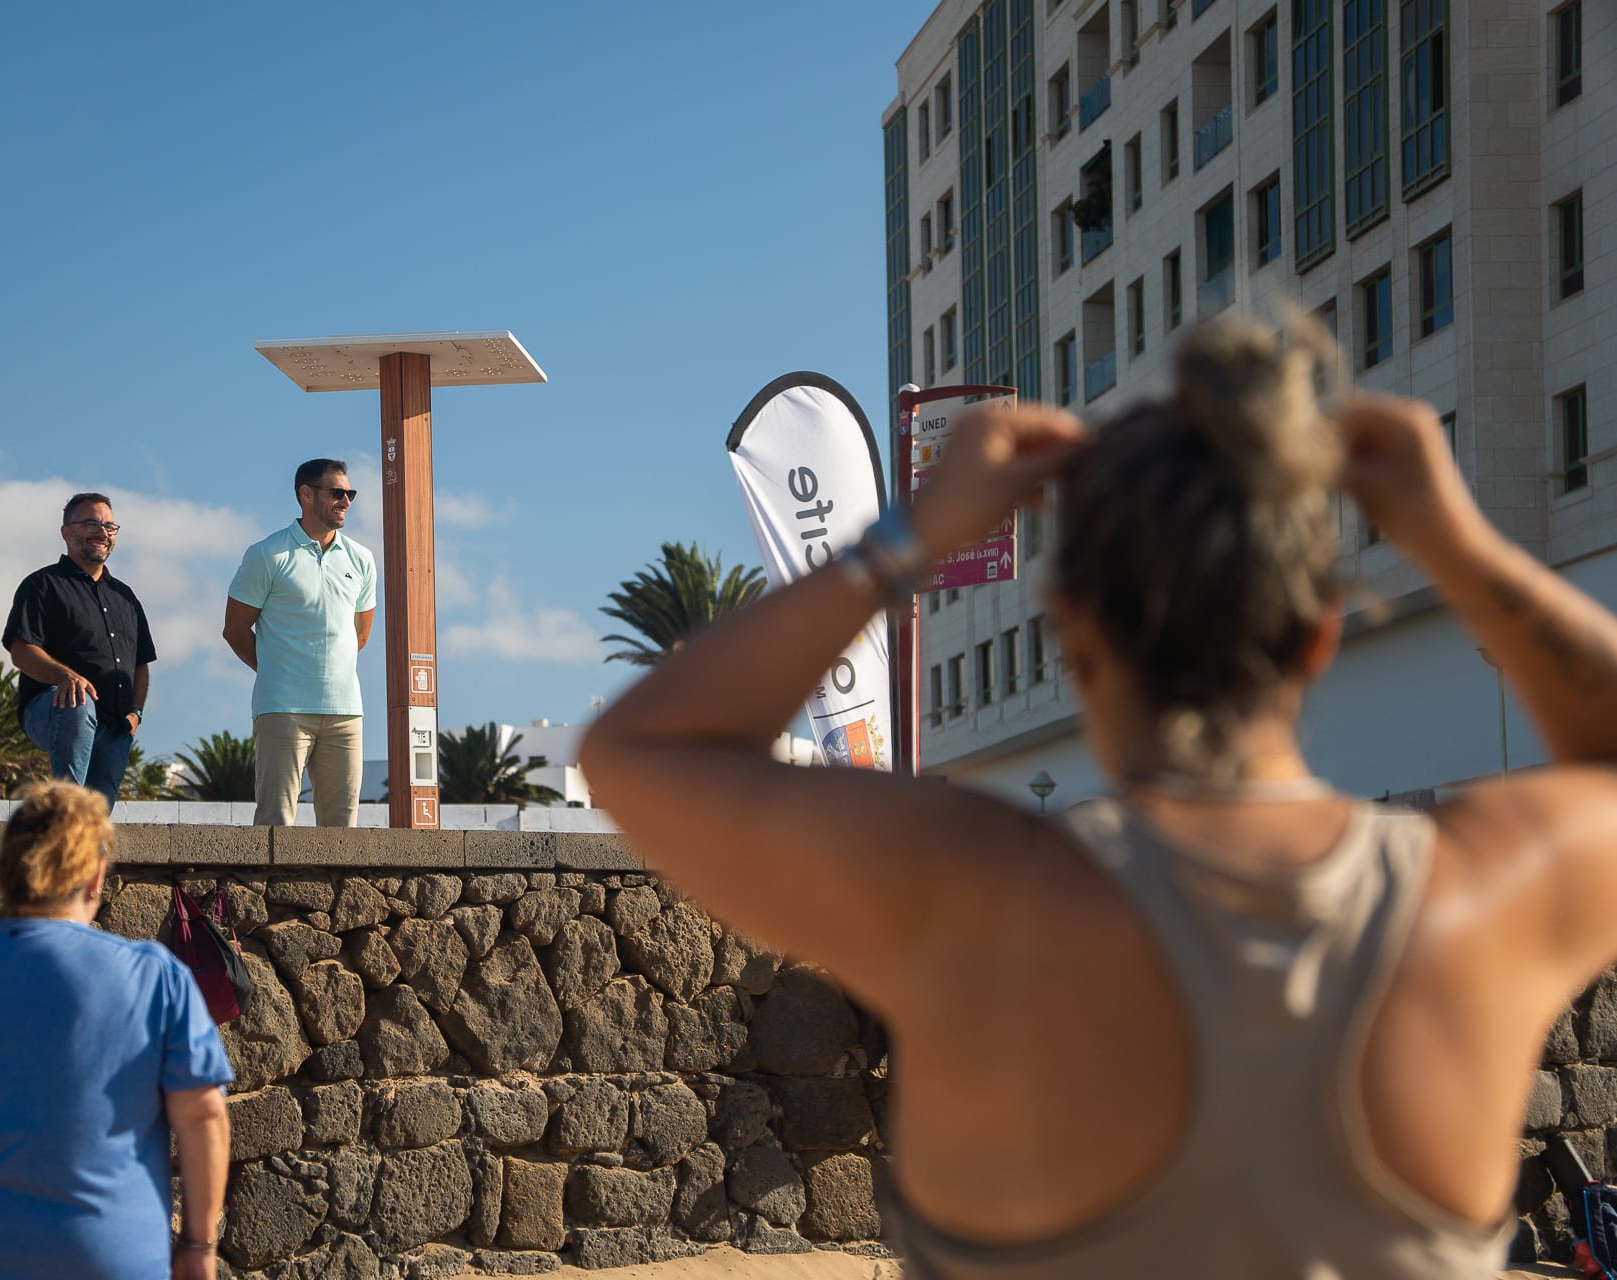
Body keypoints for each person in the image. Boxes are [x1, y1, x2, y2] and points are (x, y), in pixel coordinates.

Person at [581, 315, 1617, 1278]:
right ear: (1320, 634)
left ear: (1073, 637)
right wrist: (1455, 540)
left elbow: (641, 750)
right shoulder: (1476, 902)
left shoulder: (976, 900)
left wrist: (914, 533)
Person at [0, 780, 233, 1279]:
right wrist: (197, 1248)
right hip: (96, 1259)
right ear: (97, 876)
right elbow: (204, 1117)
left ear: (6, 870)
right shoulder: (153, 978)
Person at [224, 458, 377, 826]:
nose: (347, 501)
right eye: (337, 492)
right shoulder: (266, 555)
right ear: (306, 494)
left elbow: (360, 633)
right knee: (275, 824)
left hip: (346, 713)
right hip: (283, 709)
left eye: (350, 493)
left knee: (342, 830)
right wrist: (278, 671)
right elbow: (235, 630)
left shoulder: (362, 559)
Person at [3, 492, 155, 808]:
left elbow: (141, 663)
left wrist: (135, 714)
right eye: (91, 523)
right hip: (52, 710)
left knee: (96, 819)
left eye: (110, 527)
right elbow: (21, 650)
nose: (103, 533)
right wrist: (65, 676)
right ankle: (64, 806)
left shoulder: (126, 598)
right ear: (66, 532)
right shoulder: (42, 585)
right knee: (78, 700)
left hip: (115, 725)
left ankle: (76, 846)